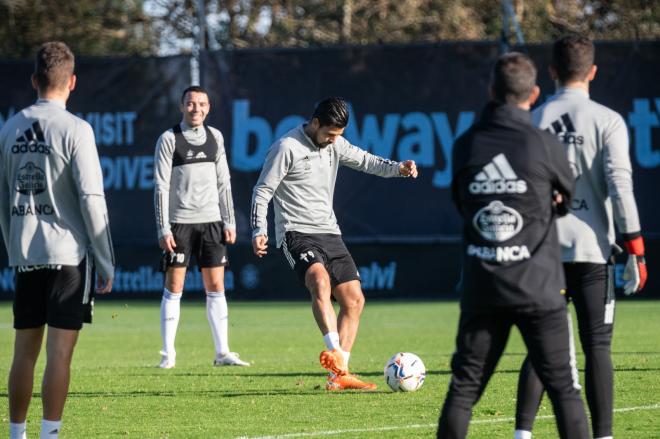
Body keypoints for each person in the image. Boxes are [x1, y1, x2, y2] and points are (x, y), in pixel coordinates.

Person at [436, 52, 589, 439]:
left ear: (491, 91)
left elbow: (461, 203)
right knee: (565, 392)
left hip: (483, 286)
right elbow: (566, 201)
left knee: (463, 390)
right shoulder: (544, 144)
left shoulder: (465, 145)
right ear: (534, 93)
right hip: (539, 288)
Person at [514, 35, 647, 439]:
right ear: (592, 72)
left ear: (551, 72)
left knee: (541, 346)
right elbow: (620, 187)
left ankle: (522, 435)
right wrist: (637, 250)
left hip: (542, 252)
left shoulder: (531, 120)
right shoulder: (608, 120)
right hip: (592, 251)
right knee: (597, 348)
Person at [250, 97, 418, 391]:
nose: (333, 140)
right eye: (329, 134)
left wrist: (398, 168)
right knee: (319, 280)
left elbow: (367, 161)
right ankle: (335, 356)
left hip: (330, 232)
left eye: (338, 135)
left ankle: (339, 375)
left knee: (354, 299)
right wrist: (258, 228)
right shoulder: (286, 147)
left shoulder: (336, 144)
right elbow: (263, 190)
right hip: (296, 232)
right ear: (315, 123)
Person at [0, 41, 115, 439]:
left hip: (26, 254)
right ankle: (50, 435)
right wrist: (105, 259)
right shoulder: (77, 129)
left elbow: (1, 198)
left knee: (22, 355)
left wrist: (14, 246)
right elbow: (91, 199)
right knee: (59, 354)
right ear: (73, 82)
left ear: (34, 80)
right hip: (68, 257)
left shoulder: (10, 127)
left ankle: (16, 434)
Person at [153, 85, 249, 369]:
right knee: (175, 286)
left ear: (209, 107)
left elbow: (224, 183)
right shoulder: (169, 138)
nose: (196, 109)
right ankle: (168, 355)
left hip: (211, 223)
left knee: (216, 286)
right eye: (191, 104)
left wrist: (228, 221)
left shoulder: (215, 137)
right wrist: (163, 229)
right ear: (182, 106)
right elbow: (160, 187)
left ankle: (223, 353)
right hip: (179, 224)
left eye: (202, 104)